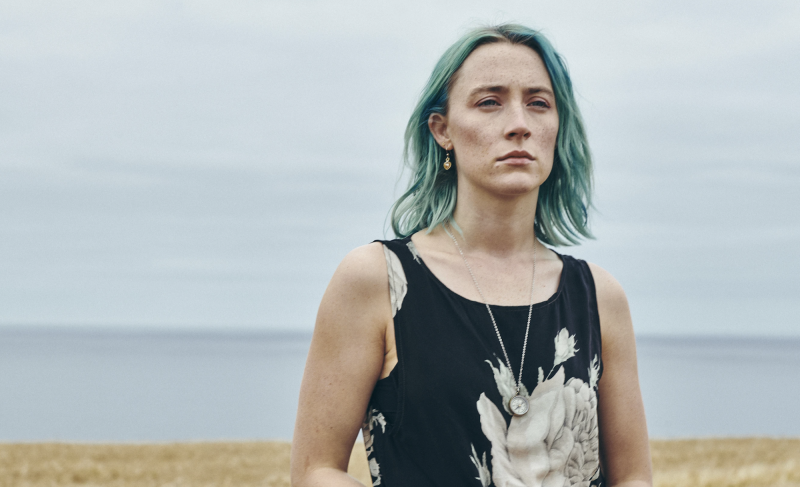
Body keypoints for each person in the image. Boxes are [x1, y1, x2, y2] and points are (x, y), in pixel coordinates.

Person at [291, 24, 652, 487]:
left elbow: (634, 478)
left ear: (557, 129)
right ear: (442, 130)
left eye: (539, 103)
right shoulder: (377, 280)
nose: (519, 123)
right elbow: (315, 470)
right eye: (489, 102)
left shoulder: (599, 297)